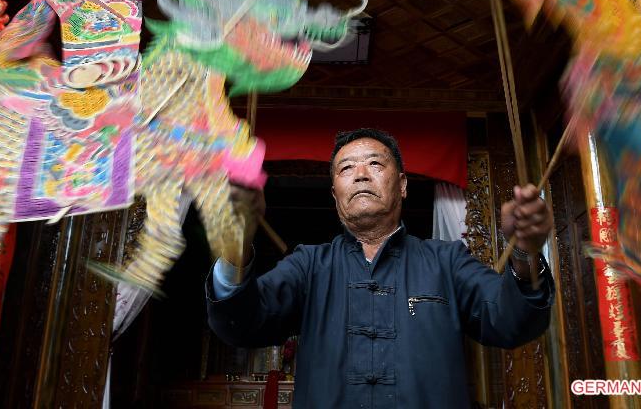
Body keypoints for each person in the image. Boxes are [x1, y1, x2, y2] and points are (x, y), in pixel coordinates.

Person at [207, 128, 554, 408]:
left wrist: (525, 249)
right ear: (334, 193)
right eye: (346, 169)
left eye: (374, 164)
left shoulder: (446, 261)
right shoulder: (309, 265)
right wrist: (235, 245)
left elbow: (510, 321)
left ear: (402, 185)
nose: (360, 175)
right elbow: (243, 324)